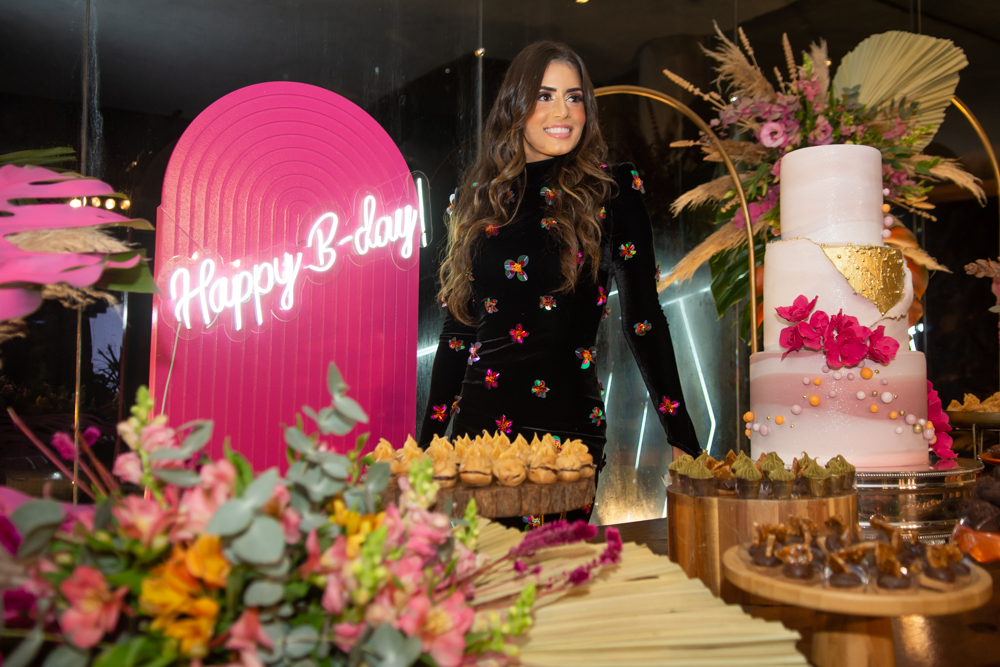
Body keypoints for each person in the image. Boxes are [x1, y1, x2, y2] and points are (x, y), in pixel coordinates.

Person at [419, 41, 701, 485]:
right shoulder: (478, 199)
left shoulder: (611, 192)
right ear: (514, 105)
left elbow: (643, 321)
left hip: (568, 436)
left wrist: (681, 436)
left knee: (559, 536)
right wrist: (426, 449)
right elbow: (458, 333)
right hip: (478, 435)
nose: (563, 111)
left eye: (574, 97)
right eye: (545, 96)